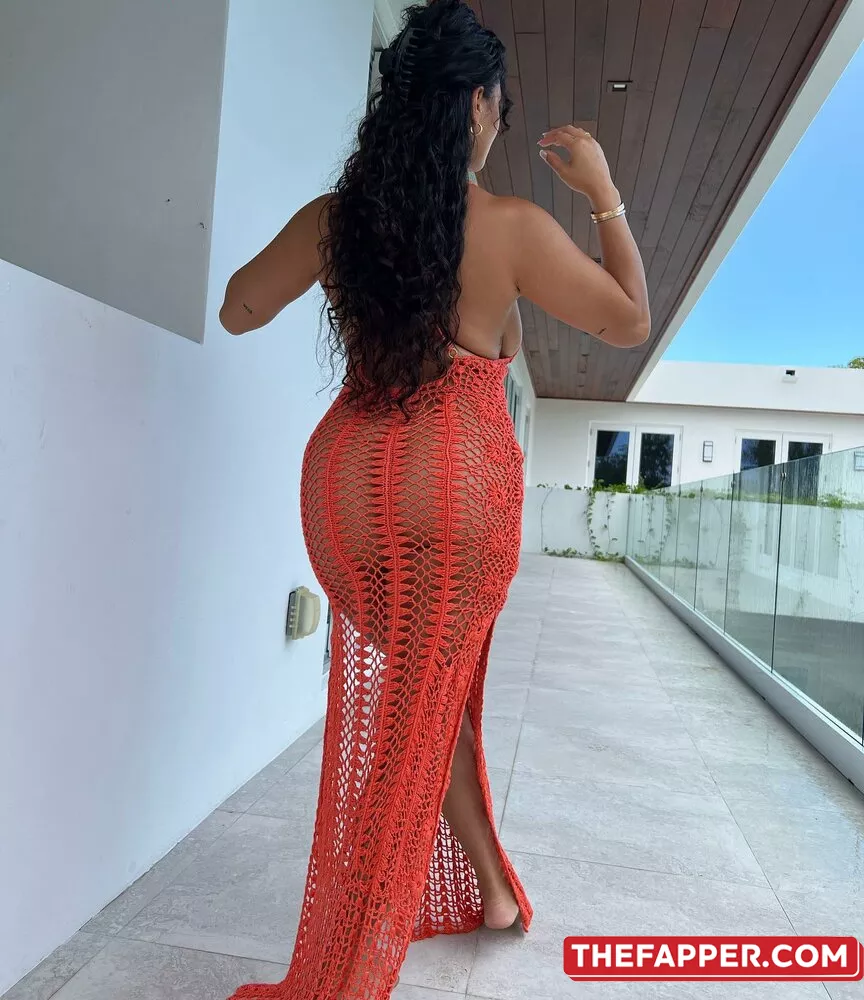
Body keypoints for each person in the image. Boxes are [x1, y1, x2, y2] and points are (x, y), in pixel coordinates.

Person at [219, 2, 649, 996]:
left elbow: (240, 308)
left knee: (424, 703)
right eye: (499, 107)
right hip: (452, 494)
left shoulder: (336, 221)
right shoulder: (510, 228)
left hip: (347, 495)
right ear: (479, 107)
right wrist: (605, 195)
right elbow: (630, 320)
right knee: (414, 720)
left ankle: (490, 890)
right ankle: (354, 954)